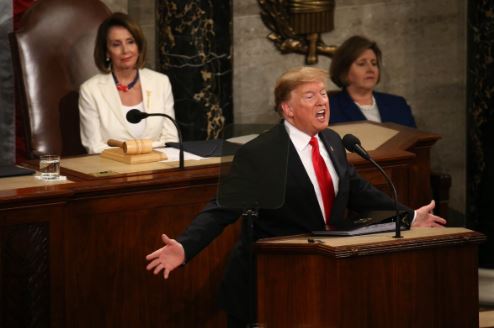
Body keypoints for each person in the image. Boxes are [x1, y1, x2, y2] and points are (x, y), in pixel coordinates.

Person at [145, 67, 446, 327]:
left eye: (323, 94)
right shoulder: (260, 154)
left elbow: (355, 189)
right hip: (271, 282)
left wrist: (408, 216)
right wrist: (185, 246)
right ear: (287, 109)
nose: (322, 102)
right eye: (310, 96)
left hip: (321, 273)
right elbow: (223, 207)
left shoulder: (331, 140)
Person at [79, 12, 178, 154]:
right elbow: (94, 147)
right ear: (107, 52)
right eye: (116, 44)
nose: (126, 50)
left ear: (138, 46)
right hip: (113, 170)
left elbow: (171, 140)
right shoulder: (90, 90)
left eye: (130, 42)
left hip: (157, 167)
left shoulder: (160, 82)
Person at [329, 35, 416, 127]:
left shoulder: (398, 104)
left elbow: (416, 139)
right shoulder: (329, 108)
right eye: (361, 64)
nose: (370, 69)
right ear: (344, 70)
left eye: (374, 63)